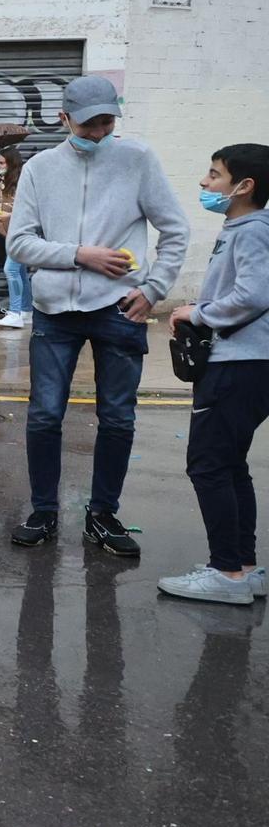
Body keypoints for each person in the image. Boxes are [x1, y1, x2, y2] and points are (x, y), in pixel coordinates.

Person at [7, 77, 188, 554]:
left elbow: (175, 228)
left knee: (118, 418)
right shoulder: (41, 169)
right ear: (64, 118)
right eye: (88, 124)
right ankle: (44, 511)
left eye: (107, 121)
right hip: (54, 312)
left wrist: (153, 289)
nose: (99, 133)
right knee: (45, 415)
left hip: (119, 310)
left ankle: (103, 515)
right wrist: (79, 254)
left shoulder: (138, 159)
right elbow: (18, 242)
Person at [160, 144, 269, 606]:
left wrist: (199, 312)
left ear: (244, 186)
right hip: (244, 363)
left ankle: (225, 572)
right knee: (229, 464)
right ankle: (242, 567)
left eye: (214, 175)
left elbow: (252, 295)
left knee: (207, 465)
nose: (205, 183)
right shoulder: (243, 227)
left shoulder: (252, 231)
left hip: (239, 364)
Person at [0, 149, 32, 330]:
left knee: (11, 269)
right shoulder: (0, 184)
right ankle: (26, 309)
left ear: (12, 164)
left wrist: (7, 216)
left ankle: (15, 312)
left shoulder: (21, 183)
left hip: (21, 235)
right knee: (21, 272)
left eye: (2, 163)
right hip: (9, 234)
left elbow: (25, 210)